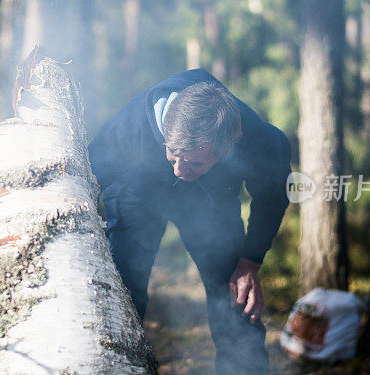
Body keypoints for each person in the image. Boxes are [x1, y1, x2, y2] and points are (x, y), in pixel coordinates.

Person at [88, 69, 290, 374]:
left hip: (209, 201)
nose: (180, 171)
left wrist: (250, 260)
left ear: (226, 151)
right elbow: (89, 177)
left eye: (195, 161)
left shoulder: (257, 140)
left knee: (233, 289)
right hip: (136, 193)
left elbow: (273, 195)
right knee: (125, 285)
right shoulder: (131, 126)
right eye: (173, 156)